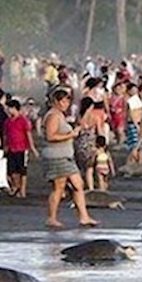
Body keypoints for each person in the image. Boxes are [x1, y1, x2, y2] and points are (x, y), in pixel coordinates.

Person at [41, 86, 97, 228]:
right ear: (57, 101)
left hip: (66, 156)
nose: (66, 105)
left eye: (68, 102)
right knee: (58, 187)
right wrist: (71, 135)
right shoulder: (53, 115)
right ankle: (51, 218)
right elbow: (50, 136)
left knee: (78, 185)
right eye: (64, 102)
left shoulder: (60, 115)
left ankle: (84, 217)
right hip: (56, 156)